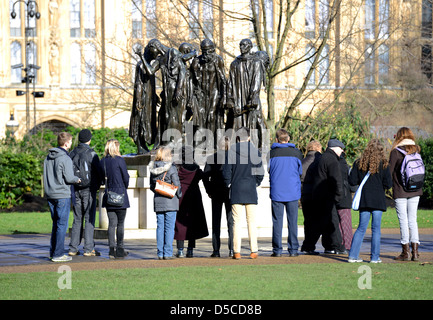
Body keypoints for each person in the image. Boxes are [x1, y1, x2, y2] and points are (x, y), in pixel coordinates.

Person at [222, 127, 264, 259]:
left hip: (236, 189)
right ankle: (254, 250)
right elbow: (260, 172)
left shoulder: (231, 151)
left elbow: (226, 172)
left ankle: (237, 251)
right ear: (249, 138)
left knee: (236, 222)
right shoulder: (255, 152)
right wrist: (256, 183)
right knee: (251, 221)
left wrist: (229, 183)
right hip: (250, 189)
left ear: (237, 138)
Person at [348, 139, 392, 263]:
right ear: (381, 151)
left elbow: (352, 181)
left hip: (365, 200)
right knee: (376, 229)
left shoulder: (359, 163)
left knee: (361, 228)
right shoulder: (384, 164)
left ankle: (352, 256)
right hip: (378, 200)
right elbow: (388, 184)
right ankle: (374, 257)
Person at [43, 132, 80, 262]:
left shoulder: (48, 157)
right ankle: (58, 254)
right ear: (66, 143)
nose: (70, 144)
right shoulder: (65, 158)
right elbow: (69, 178)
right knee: (61, 225)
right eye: (70, 142)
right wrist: (77, 179)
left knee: (56, 224)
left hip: (50, 193)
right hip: (62, 194)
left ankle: (53, 252)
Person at [389, 127, 423, 261]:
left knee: (403, 220)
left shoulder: (395, 152)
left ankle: (406, 252)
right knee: (413, 220)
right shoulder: (416, 150)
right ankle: (415, 252)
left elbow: (390, 172)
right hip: (415, 189)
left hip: (400, 190)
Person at [268, 129, 303, 257]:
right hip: (293, 191)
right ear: (288, 139)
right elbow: (300, 171)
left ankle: (277, 250)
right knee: (292, 221)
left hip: (277, 191)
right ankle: (293, 249)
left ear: (277, 139)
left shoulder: (271, 154)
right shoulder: (297, 153)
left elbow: (268, 170)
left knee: (277, 222)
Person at [68, 129, 102, 257]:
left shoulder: (72, 153)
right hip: (89, 189)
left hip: (75, 188)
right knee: (89, 218)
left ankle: (73, 248)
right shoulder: (92, 154)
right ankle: (88, 249)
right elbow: (99, 171)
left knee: (77, 219)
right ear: (89, 139)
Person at [312, 138, 347, 254]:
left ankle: (328, 246)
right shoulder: (332, 160)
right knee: (333, 223)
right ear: (335, 148)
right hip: (328, 196)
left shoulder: (323, 157)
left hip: (320, 195)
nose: (342, 151)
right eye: (341, 149)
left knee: (325, 222)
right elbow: (336, 179)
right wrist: (338, 195)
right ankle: (337, 247)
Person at [174, 146, 209, 258]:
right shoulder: (196, 168)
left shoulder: (177, 167)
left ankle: (180, 250)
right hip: (194, 196)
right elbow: (203, 177)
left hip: (180, 196)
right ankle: (190, 250)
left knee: (179, 222)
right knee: (192, 223)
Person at [203, 136, 234, 257]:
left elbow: (205, 176)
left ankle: (216, 250)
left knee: (216, 221)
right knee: (231, 222)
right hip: (229, 191)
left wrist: (208, 190)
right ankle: (232, 249)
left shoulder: (212, 158)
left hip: (215, 191)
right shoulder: (233, 157)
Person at [149, 146, 182, 260]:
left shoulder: (153, 168)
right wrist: (179, 195)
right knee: (169, 228)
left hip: (158, 200)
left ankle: (160, 253)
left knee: (160, 227)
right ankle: (167, 253)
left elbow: (151, 186)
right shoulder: (171, 168)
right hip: (171, 200)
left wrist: (159, 192)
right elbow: (177, 184)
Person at [100, 139, 130, 259]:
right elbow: (126, 177)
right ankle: (120, 248)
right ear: (116, 147)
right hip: (121, 194)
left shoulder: (103, 161)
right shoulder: (119, 160)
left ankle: (111, 249)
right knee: (120, 224)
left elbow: (102, 178)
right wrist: (123, 187)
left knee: (112, 224)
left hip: (109, 195)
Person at [300, 140, 322, 255]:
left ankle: (307, 245)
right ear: (318, 149)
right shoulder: (319, 161)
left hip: (304, 194)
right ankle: (309, 245)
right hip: (316, 193)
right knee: (317, 222)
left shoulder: (302, 161)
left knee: (308, 221)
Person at [337, 151, 355, 251]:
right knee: (346, 223)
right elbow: (352, 184)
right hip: (345, 197)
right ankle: (348, 245)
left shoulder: (332, 164)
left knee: (338, 223)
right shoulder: (346, 166)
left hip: (335, 197)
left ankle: (339, 245)